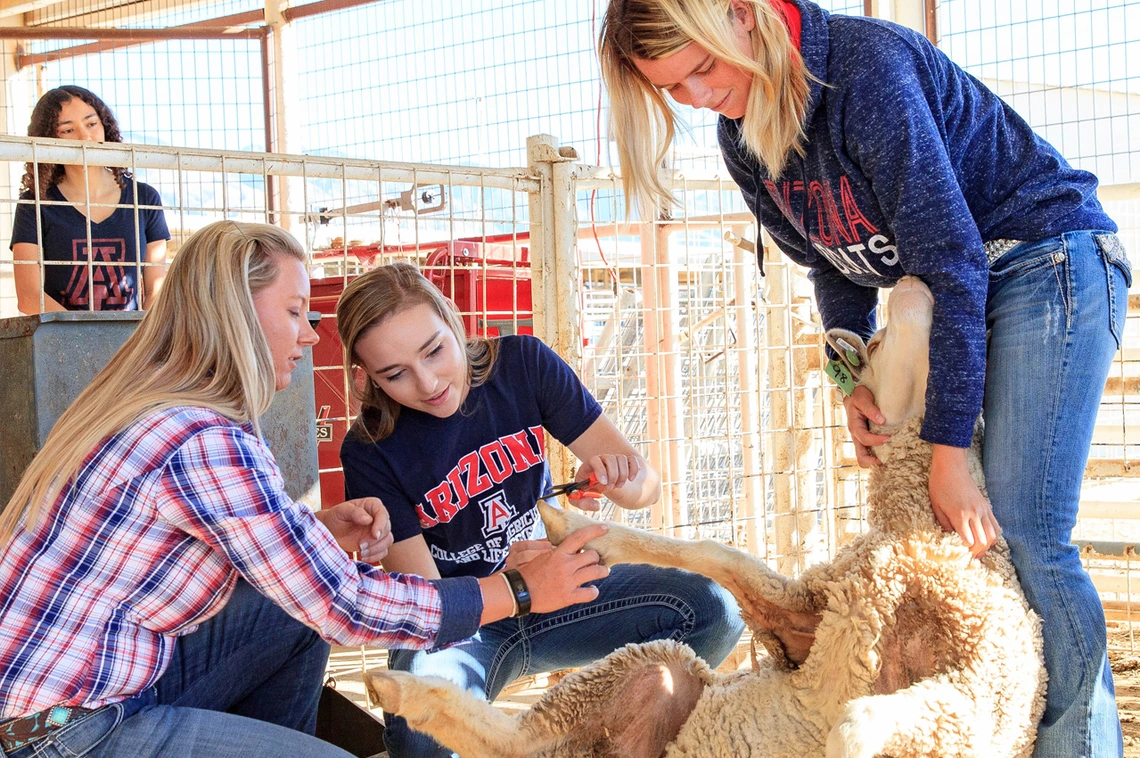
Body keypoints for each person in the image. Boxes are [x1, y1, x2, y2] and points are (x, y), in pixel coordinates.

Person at [598, 1, 1132, 756]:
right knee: (983, 533)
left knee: (1025, 530)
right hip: (961, 285)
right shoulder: (741, 137)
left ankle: (1082, 747)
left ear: (742, 15)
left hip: (1044, 258)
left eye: (703, 68)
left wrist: (948, 452)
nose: (697, 96)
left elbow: (951, 261)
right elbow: (831, 259)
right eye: (673, 89)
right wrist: (850, 376)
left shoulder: (865, 72)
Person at [0, 221, 611, 758]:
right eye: (295, 311)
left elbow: (261, 574)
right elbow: (343, 606)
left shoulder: (166, 408)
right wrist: (523, 589)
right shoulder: (206, 439)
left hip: (90, 690)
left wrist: (310, 535)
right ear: (237, 314)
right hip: (66, 733)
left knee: (290, 613)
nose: (312, 334)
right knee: (317, 620)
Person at [337, 262, 746, 758]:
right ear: (368, 378)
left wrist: (619, 479)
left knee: (715, 609)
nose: (427, 383)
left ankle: (603, 736)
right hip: (473, 623)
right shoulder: (369, 447)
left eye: (434, 351)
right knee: (420, 728)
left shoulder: (523, 364)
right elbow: (432, 604)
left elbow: (647, 488)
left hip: (564, 589)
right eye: (395, 374)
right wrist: (515, 586)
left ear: (453, 320)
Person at [10, 85, 170, 314]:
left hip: (132, 341)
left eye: (91, 124)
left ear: (105, 126)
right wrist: (83, 338)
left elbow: (157, 290)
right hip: (62, 343)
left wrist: (140, 340)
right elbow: (29, 297)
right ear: (48, 138)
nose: (84, 136)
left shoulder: (144, 198)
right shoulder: (34, 204)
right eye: (67, 130)